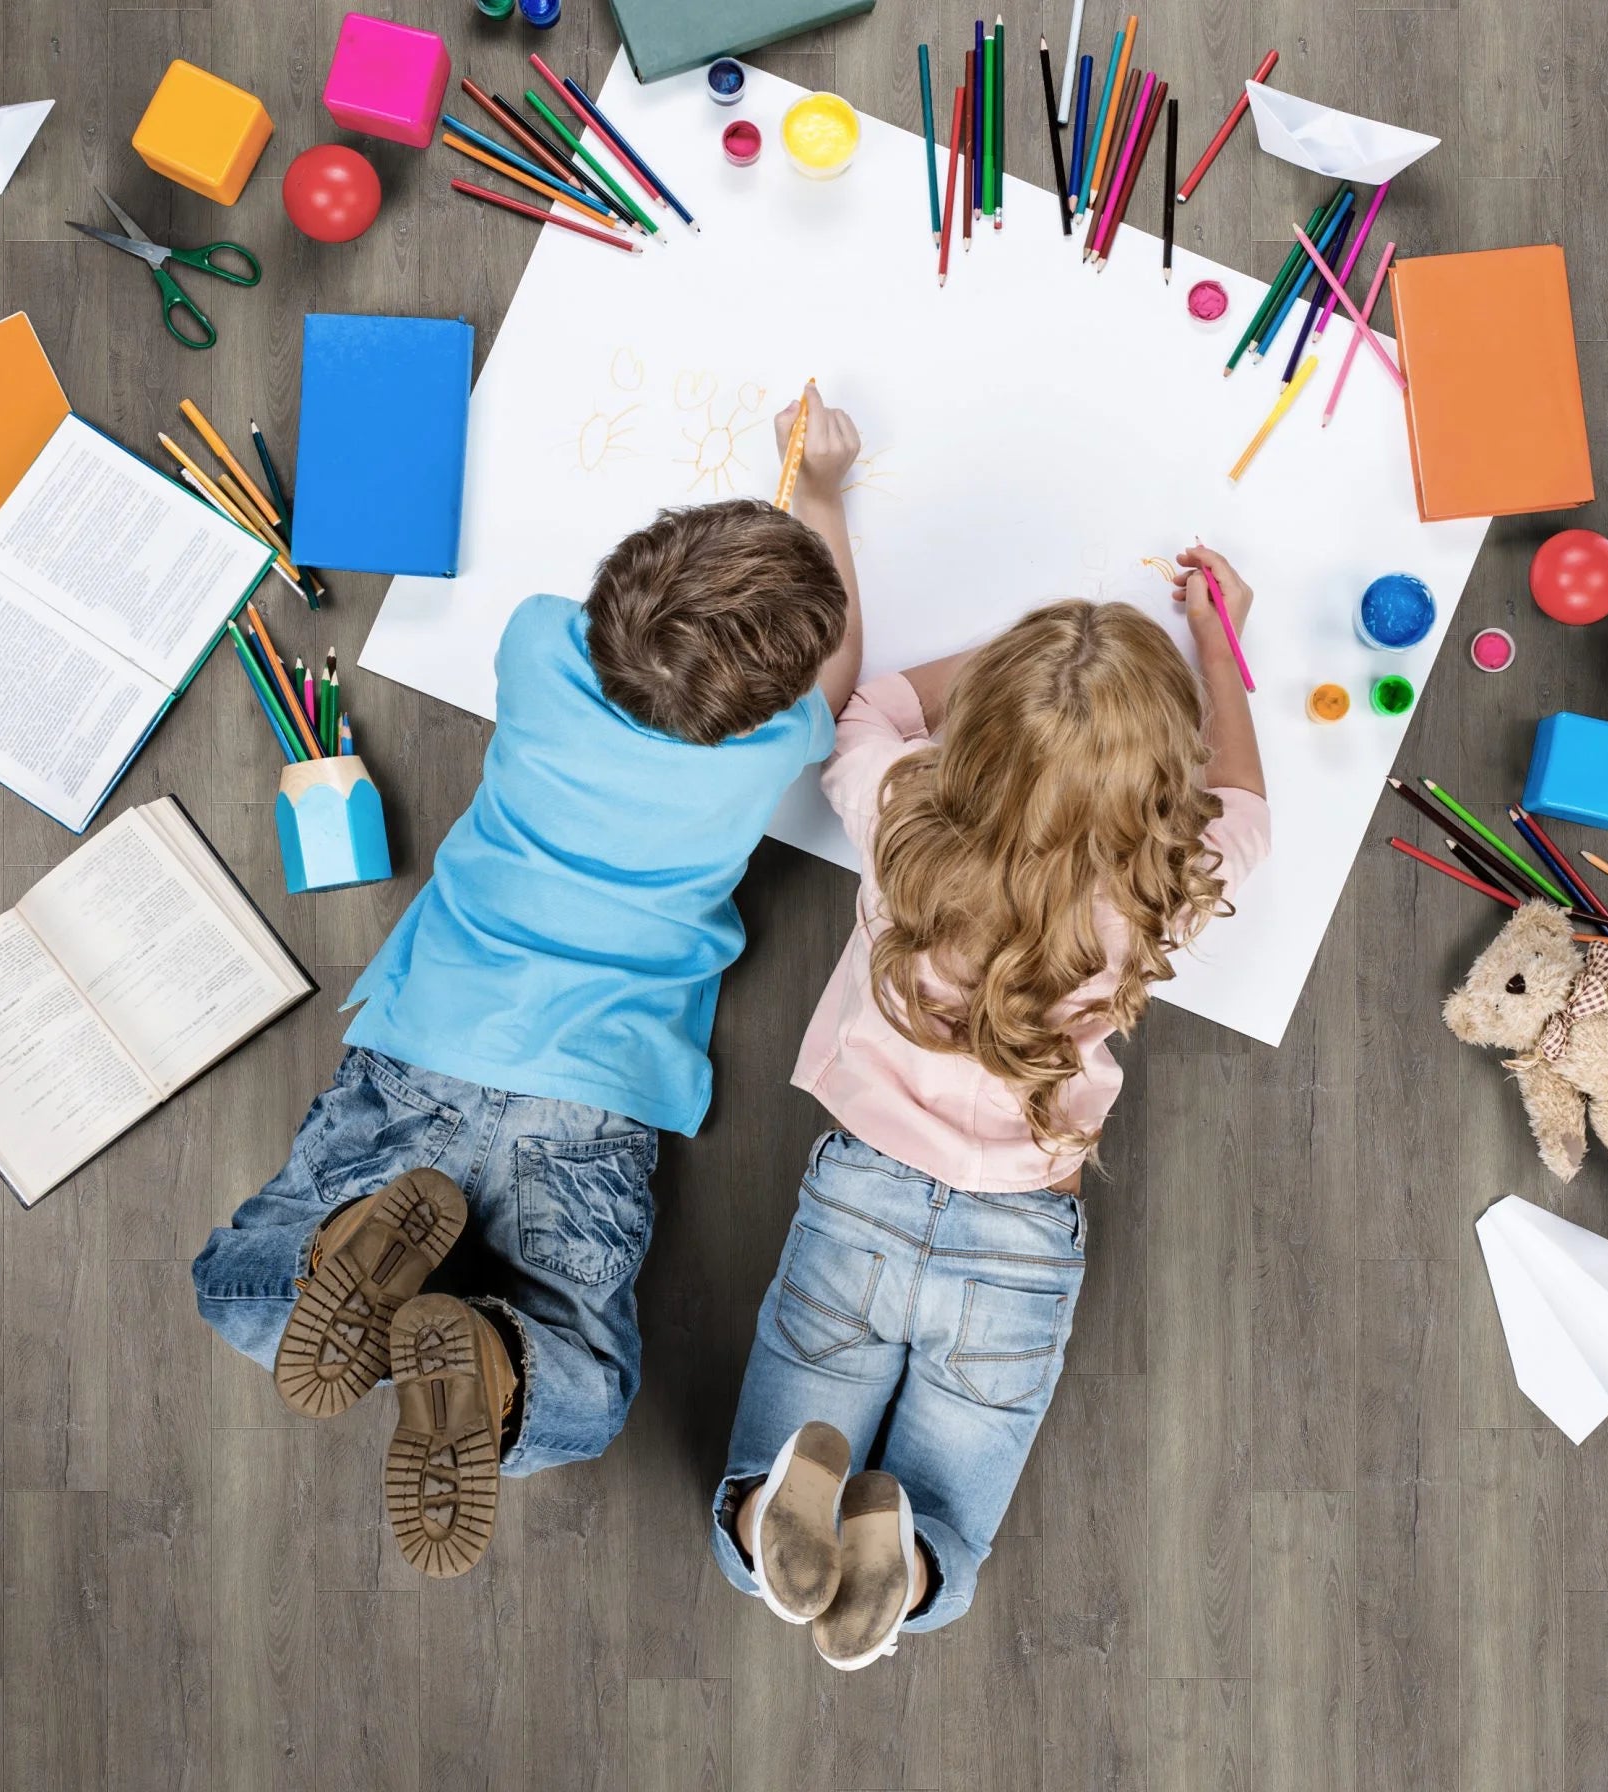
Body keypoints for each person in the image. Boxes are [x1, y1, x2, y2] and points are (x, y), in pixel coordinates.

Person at [191, 390, 864, 1577]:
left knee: (249, 1289)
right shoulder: (775, 745)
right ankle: (480, 1358)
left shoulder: (540, 643)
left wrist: (757, 530)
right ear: (765, 709)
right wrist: (819, 494)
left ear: (608, 607)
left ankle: (382, 1268)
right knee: (576, 1385)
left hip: (430, 1040)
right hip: (591, 1099)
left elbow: (678, 627)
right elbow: (840, 675)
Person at [708, 554, 1269, 1666]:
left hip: (860, 1198)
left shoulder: (904, 811)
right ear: (1163, 775)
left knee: (766, 1498)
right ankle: (901, 1568)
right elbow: (1246, 799)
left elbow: (869, 703)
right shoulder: (1171, 872)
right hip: (1017, 1237)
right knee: (950, 1527)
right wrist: (1213, 642)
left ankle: (775, 1514)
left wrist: (1036, 653)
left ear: (979, 733)